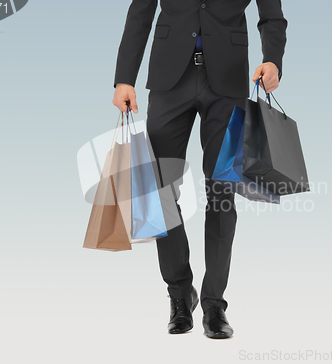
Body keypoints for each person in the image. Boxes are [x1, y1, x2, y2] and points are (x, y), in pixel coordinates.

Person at [112, 0, 287, 339]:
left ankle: (214, 304)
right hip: (168, 80)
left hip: (228, 80)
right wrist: (124, 78)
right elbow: (140, 12)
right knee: (160, 190)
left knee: (222, 191)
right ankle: (179, 295)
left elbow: (272, 16)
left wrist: (273, 59)